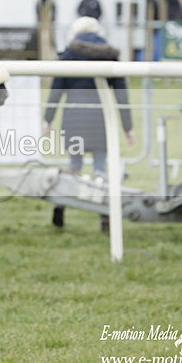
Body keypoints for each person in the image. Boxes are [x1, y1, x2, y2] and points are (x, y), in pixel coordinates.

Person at [43, 16, 135, 232]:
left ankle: (61, 204)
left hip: (74, 117)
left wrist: (47, 119)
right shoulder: (110, 55)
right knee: (101, 169)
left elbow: (57, 89)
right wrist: (128, 127)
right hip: (102, 118)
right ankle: (105, 215)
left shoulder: (69, 54)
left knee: (74, 166)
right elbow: (122, 95)